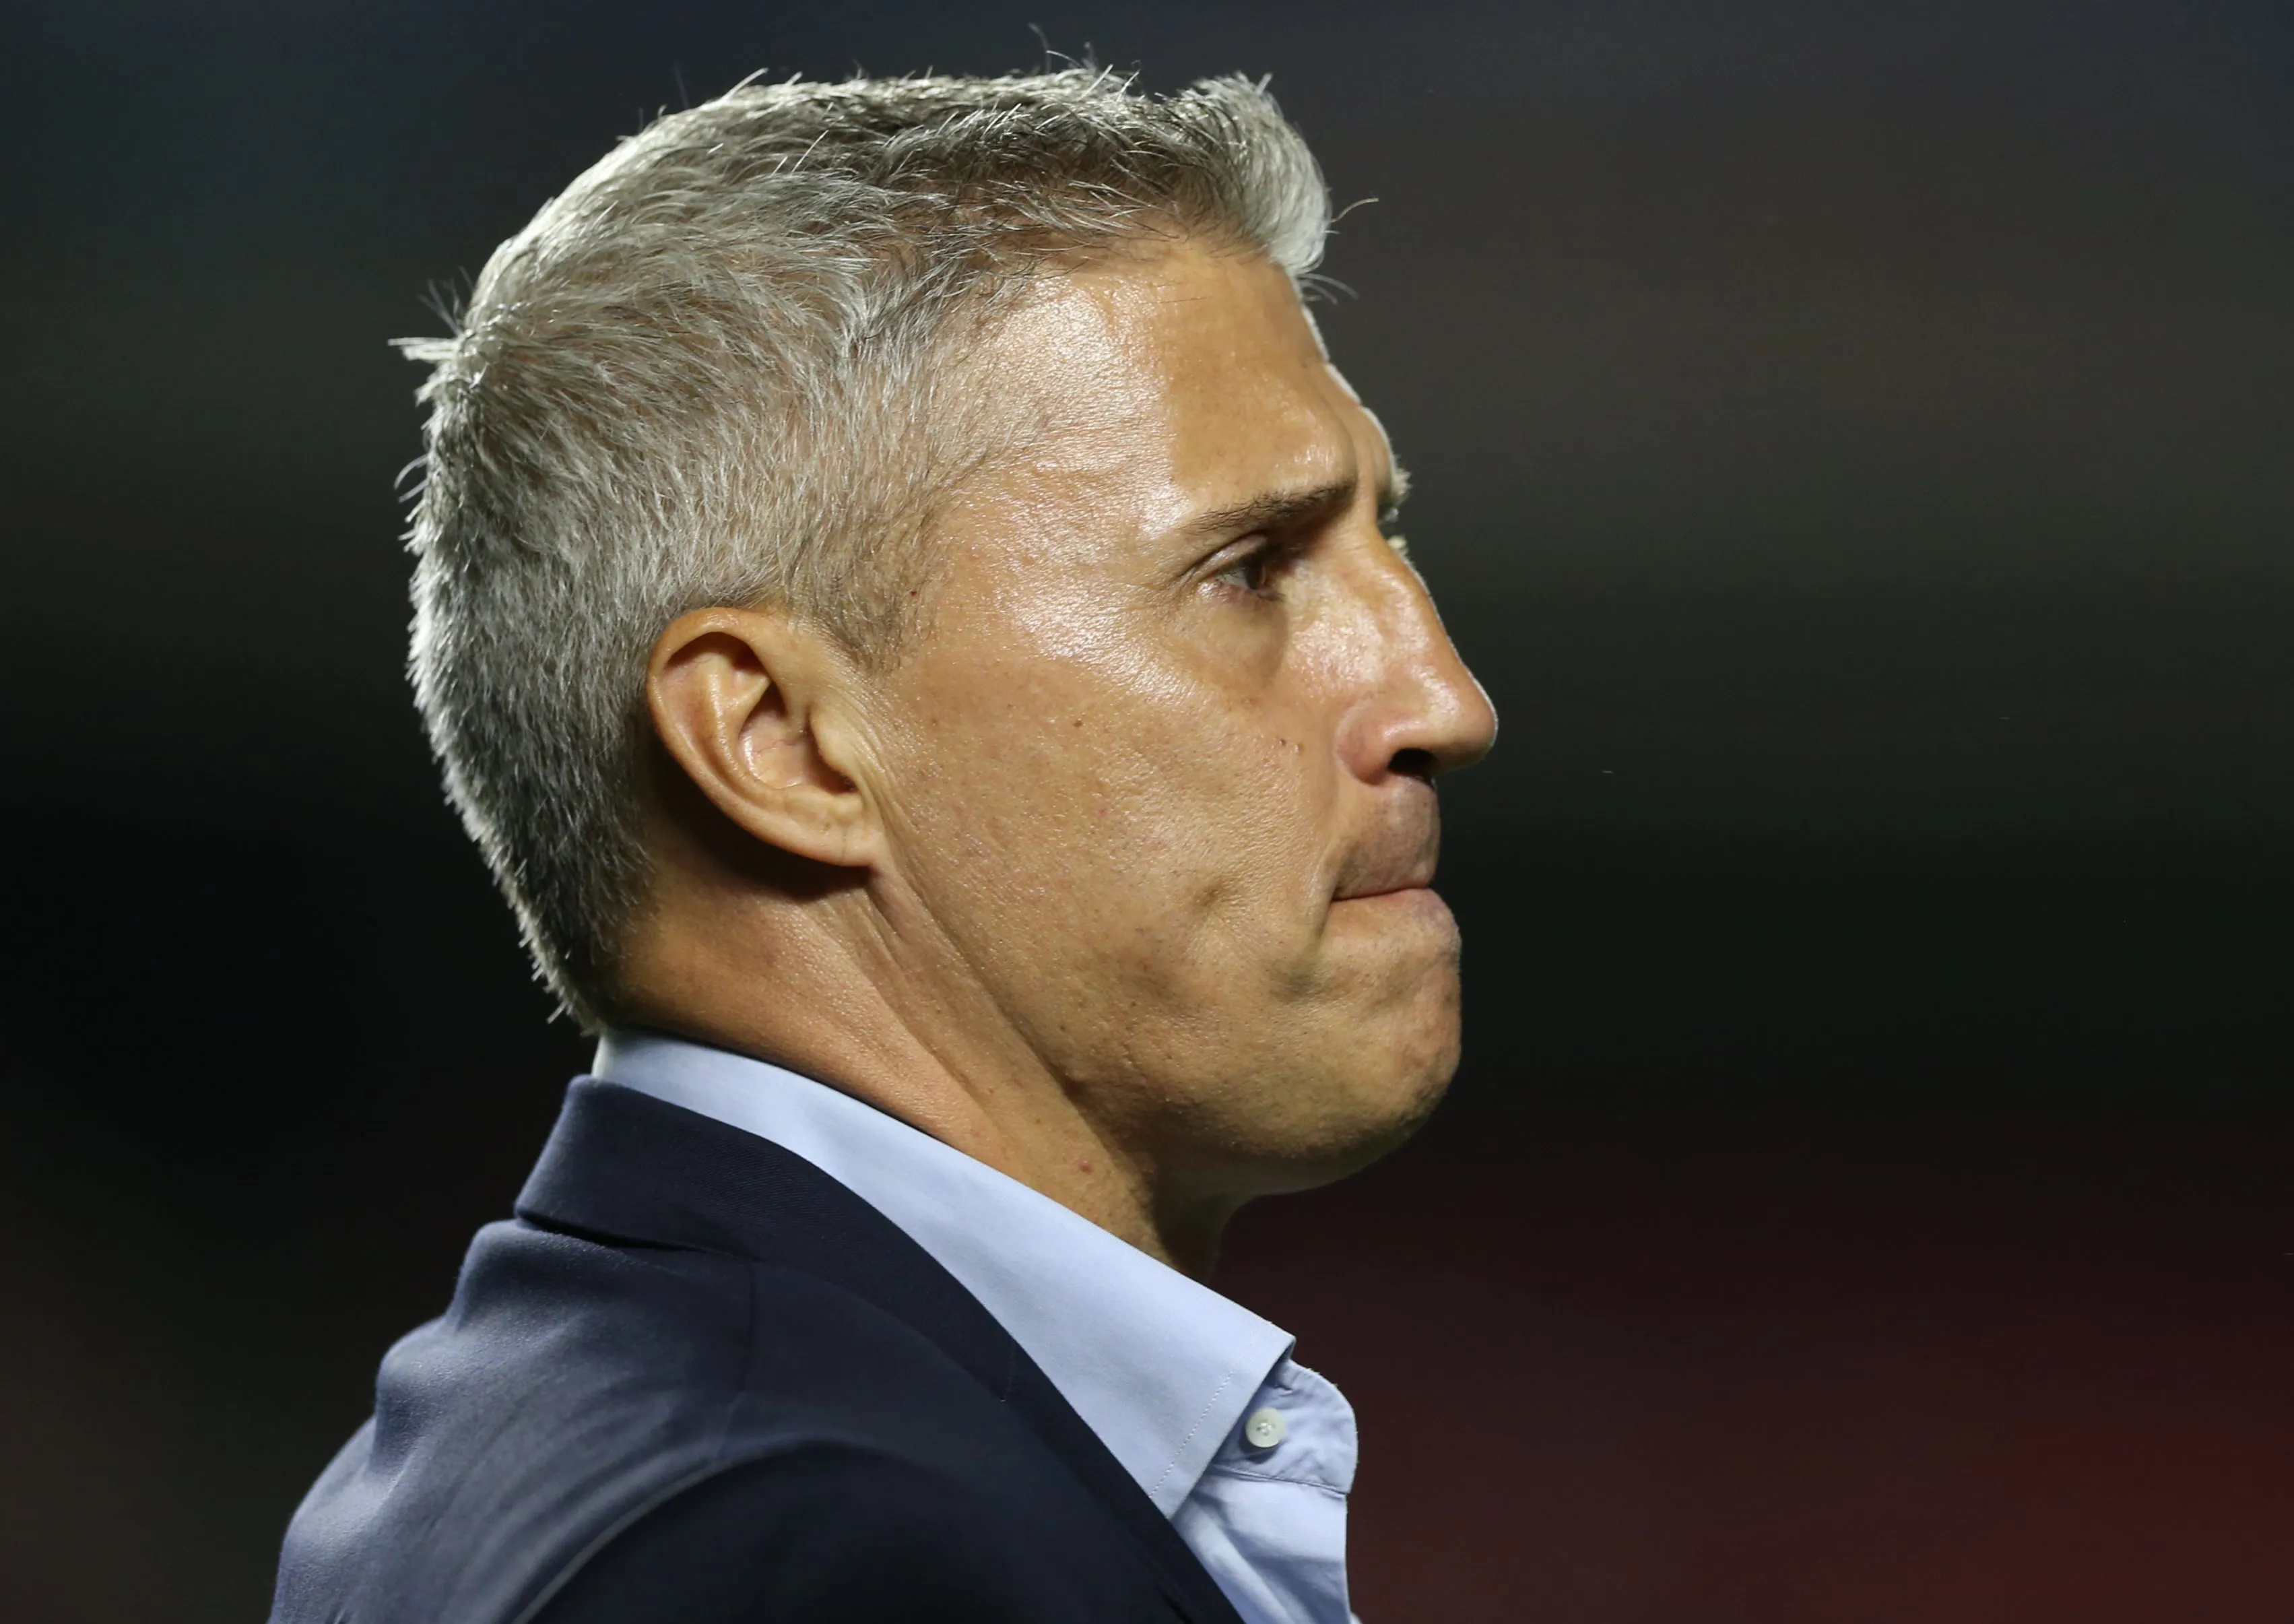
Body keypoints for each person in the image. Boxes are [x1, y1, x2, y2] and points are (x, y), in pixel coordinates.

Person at [269, 69, 1495, 1624]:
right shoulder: (802, 1546)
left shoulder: (589, 1440)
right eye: (1248, 569)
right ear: (778, 741)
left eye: (1386, 536)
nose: (1444, 699)